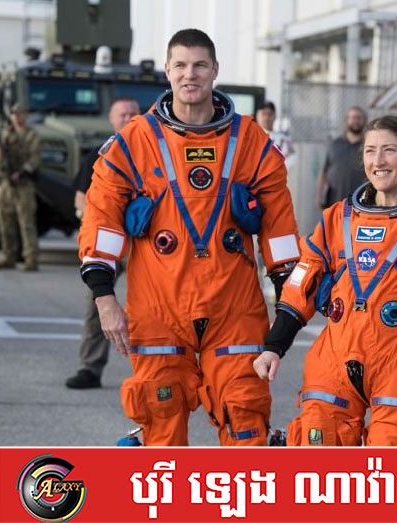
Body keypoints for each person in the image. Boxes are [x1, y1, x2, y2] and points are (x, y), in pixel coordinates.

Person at [77, 28, 301, 446]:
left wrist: (287, 308)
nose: (189, 74)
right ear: (167, 70)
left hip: (233, 310)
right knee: (161, 425)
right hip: (158, 310)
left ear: (215, 69)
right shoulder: (133, 143)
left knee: (245, 419)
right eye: (180, 65)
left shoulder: (251, 143)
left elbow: (281, 234)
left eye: (199, 65)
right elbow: (101, 223)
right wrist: (105, 299)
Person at [253, 115, 397, 446]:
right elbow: (301, 288)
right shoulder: (336, 219)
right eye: (371, 151)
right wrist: (274, 346)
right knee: (317, 451)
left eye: (389, 150)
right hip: (335, 361)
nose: (378, 161)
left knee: (387, 464)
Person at [65, 96, 140, 390]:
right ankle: (90, 368)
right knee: (98, 304)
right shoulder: (102, 154)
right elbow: (80, 198)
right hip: (109, 242)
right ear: (111, 119)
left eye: (133, 113)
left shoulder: (154, 152)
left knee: (156, 304)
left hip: (144, 242)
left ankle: (160, 372)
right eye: (122, 114)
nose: (128, 119)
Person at [0, 103, 41, 271]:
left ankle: (31, 259)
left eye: (19, 113)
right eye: (13, 113)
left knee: (26, 222)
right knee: (5, 221)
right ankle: (9, 256)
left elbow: (34, 160)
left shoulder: (31, 135)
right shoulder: (5, 133)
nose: (16, 116)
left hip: (23, 184)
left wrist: (20, 173)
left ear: (26, 116)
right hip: (5, 183)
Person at [317, 106, 366, 208]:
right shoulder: (335, 144)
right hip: (335, 201)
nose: (356, 121)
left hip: (361, 202)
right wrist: (318, 196)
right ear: (346, 120)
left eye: (359, 118)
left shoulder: (369, 145)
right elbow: (324, 172)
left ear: (365, 120)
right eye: (353, 117)